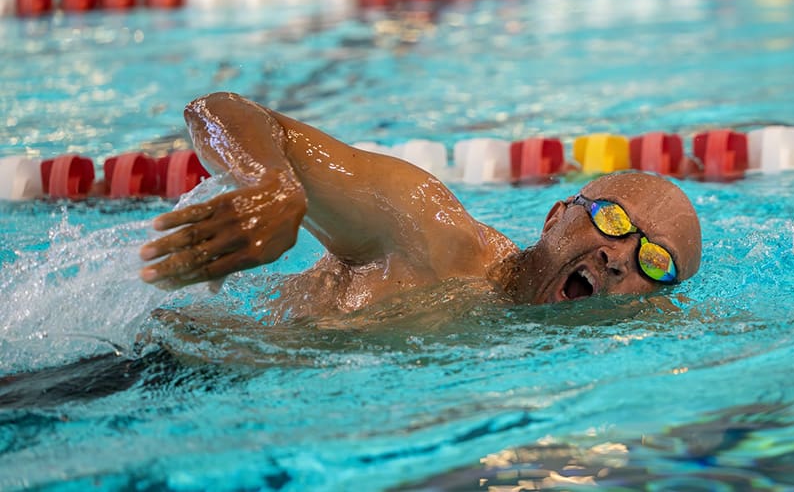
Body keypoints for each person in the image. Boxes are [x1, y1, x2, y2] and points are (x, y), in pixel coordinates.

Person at [139, 92, 701, 322]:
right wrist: (271, 186)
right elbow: (220, 109)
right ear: (556, 215)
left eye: (655, 261)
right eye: (614, 220)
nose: (619, 257)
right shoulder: (430, 234)